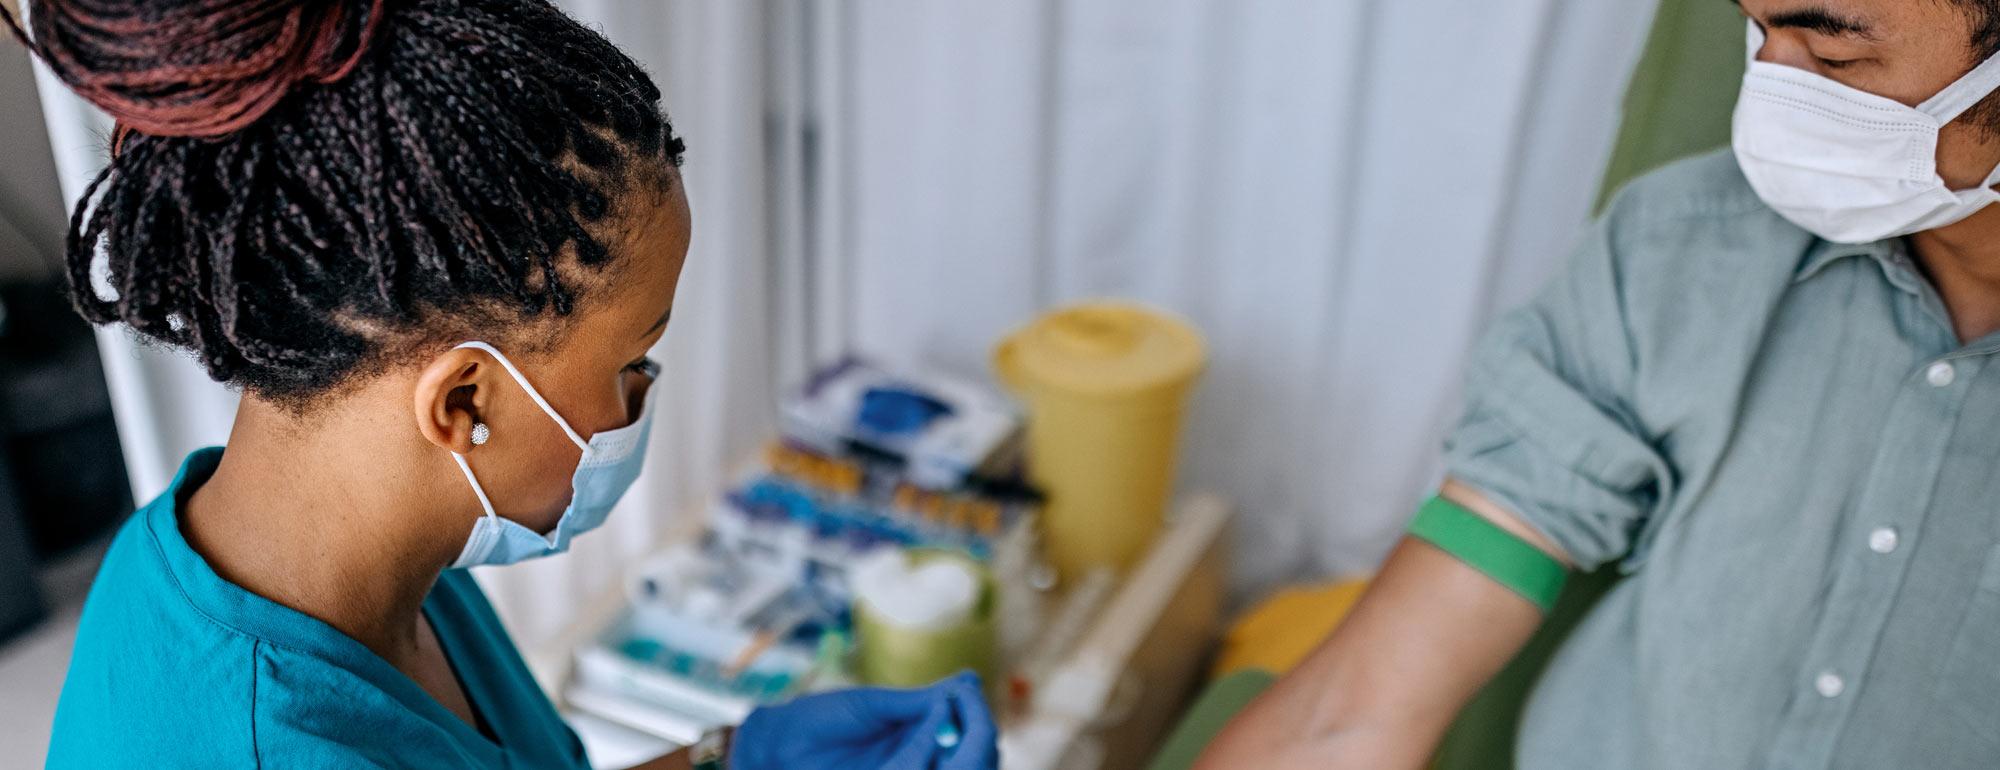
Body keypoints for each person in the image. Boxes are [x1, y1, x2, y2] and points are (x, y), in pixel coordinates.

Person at [1, 0, 998, 768]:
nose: (635, 403)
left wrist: (723, 757)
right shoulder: (266, 738)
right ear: (464, 402)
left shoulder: (340, 555)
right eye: (631, 365)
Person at [1197, 1, 2000, 768]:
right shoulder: (1680, 253)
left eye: (1833, 55)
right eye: (1757, 35)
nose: (1775, 97)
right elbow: (1353, 716)